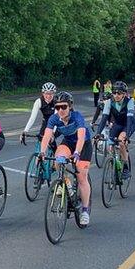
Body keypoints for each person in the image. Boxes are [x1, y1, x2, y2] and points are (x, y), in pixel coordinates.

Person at [40, 92, 92, 225]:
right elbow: (47, 135)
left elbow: (81, 137)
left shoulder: (77, 117)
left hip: (83, 145)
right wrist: (42, 152)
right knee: (59, 159)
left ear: (70, 106)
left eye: (63, 107)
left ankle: (85, 211)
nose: (60, 110)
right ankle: (65, 183)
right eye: (57, 108)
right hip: (68, 142)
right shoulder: (54, 118)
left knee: (81, 177)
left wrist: (77, 153)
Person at [96, 81, 135, 180]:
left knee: (121, 142)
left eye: (119, 93)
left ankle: (126, 167)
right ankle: (115, 165)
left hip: (128, 124)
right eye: (114, 93)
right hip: (117, 124)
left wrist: (126, 137)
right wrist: (98, 134)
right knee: (110, 146)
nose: (116, 95)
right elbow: (104, 118)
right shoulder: (109, 102)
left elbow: (130, 119)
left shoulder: (130, 101)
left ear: (124, 94)